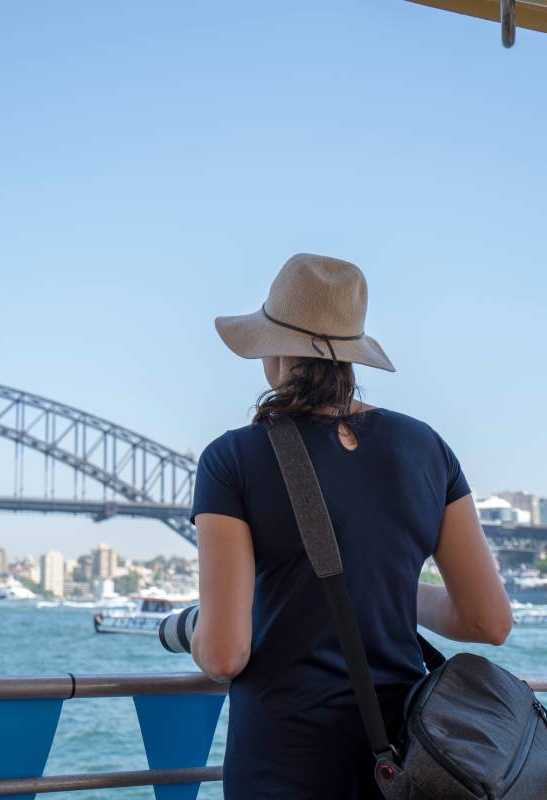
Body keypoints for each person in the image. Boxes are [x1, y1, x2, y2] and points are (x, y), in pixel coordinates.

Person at [189, 253, 513, 799]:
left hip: (282, 768)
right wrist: (381, 588)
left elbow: (224, 655)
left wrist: (191, 629)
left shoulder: (233, 459)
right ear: (351, 357)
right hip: (409, 769)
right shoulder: (426, 448)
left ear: (272, 350)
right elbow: (489, 622)